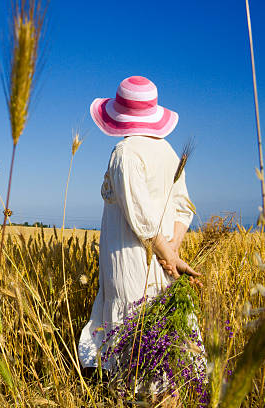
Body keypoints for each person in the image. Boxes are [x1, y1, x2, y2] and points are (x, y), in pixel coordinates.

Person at [78, 76, 200, 371]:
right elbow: (184, 207)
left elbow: (141, 217)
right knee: (163, 353)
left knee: (133, 348)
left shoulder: (125, 153)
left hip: (130, 266)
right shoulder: (169, 152)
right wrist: (172, 250)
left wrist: (168, 255)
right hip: (162, 266)